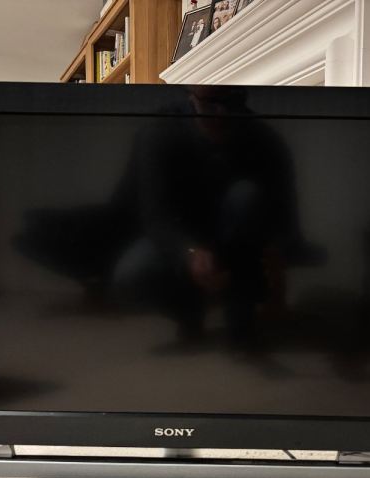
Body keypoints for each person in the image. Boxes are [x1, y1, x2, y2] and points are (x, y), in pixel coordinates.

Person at [111, 87, 304, 348]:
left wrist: (278, 273)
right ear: (192, 97)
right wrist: (188, 253)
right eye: (211, 103)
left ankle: (240, 312)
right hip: (181, 235)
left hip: (240, 245)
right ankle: (189, 309)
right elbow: (155, 214)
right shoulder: (160, 131)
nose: (221, 113)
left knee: (246, 195)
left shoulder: (264, 139)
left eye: (232, 102)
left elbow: (285, 214)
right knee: (130, 275)